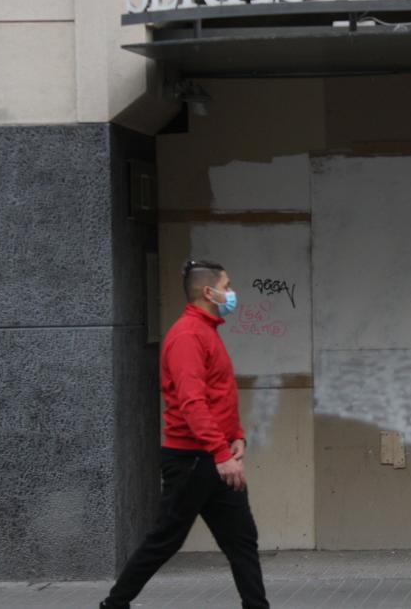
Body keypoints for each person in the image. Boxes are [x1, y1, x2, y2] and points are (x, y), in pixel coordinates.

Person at [100, 260, 269, 609]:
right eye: (228, 284)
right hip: (193, 460)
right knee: (166, 539)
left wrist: (235, 436)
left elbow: (219, 393)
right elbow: (193, 403)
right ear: (209, 292)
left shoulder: (207, 331)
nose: (232, 292)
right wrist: (221, 455)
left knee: (241, 540)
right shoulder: (187, 336)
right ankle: (114, 605)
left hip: (215, 456)